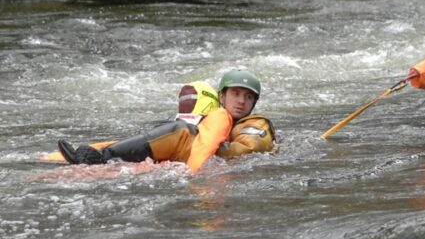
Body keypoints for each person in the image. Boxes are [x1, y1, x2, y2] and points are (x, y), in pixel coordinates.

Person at [57, 70, 276, 173]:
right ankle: (101, 153)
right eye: (236, 94)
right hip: (187, 157)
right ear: (222, 96)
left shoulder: (256, 123)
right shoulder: (214, 116)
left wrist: (213, 150)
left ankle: (101, 158)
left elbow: (249, 147)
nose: (241, 101)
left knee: (180, 131)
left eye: (248, 97)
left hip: (202, 157)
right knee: (172, 127)